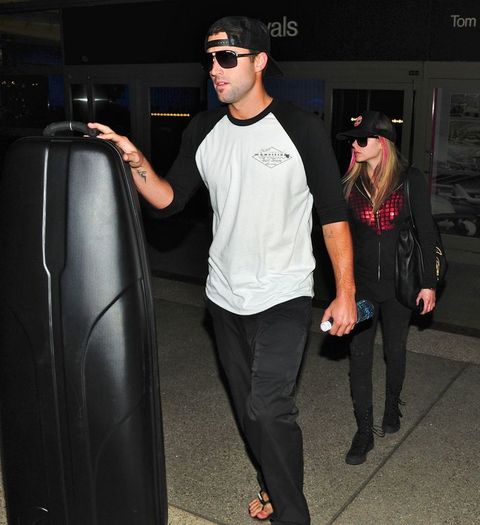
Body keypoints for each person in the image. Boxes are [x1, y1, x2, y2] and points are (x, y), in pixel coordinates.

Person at [89, 16, 357, 525]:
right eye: (210, 58)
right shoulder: (204, 129)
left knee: (267, 409)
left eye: (227, 57)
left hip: (284, 293)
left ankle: (291, 515)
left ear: (258, 63)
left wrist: (344, 292)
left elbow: (333, 215)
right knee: (247, 413)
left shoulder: (300, 128)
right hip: (223, 298)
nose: (215, 68)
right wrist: (133, 158)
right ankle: (272, 482)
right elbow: (169, 202)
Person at [336, 110, 437, 466]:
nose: (355, 146)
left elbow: (427, 233)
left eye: (362, 139)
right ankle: (364, 431)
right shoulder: (349, 184)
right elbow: (338, 239)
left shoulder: (409, 180)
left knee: (395, 351)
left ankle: (392, 403)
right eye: (352, 140)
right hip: (361, 287)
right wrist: (341, 289)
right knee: (359, 357)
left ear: (383, 143)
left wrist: (429, 283)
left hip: (400, 285)